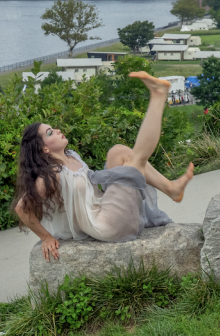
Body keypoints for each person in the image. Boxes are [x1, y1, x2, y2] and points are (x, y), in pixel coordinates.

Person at [12, 70, 196, 261]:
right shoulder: (51, 175)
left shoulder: (71, 156)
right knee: (136, 161)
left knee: (118, 152)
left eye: (53, 128)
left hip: (106, 209)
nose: (57, 131)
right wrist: (46, 237)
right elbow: (21, 208)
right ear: (44, 149)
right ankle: (158, 96)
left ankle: (171, 188)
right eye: (50, 133)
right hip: (107, 225)